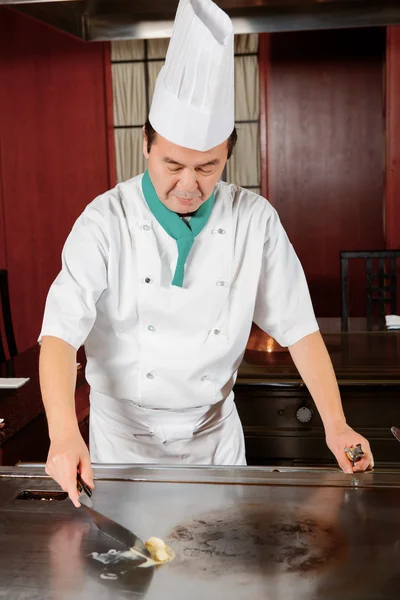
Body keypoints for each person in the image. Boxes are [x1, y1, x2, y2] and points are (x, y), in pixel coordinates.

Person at [39, 0, 374, 508]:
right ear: (146, 145)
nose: (189, 186)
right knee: (125, 578)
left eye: (208, 168)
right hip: (119, 448)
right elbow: (60, 337)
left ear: (227, 155)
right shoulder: (104, 221)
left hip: (214, 444)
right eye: (173, 164)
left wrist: (337, 423)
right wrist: (64, 434)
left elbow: (301, 330)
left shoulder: (253, 219)